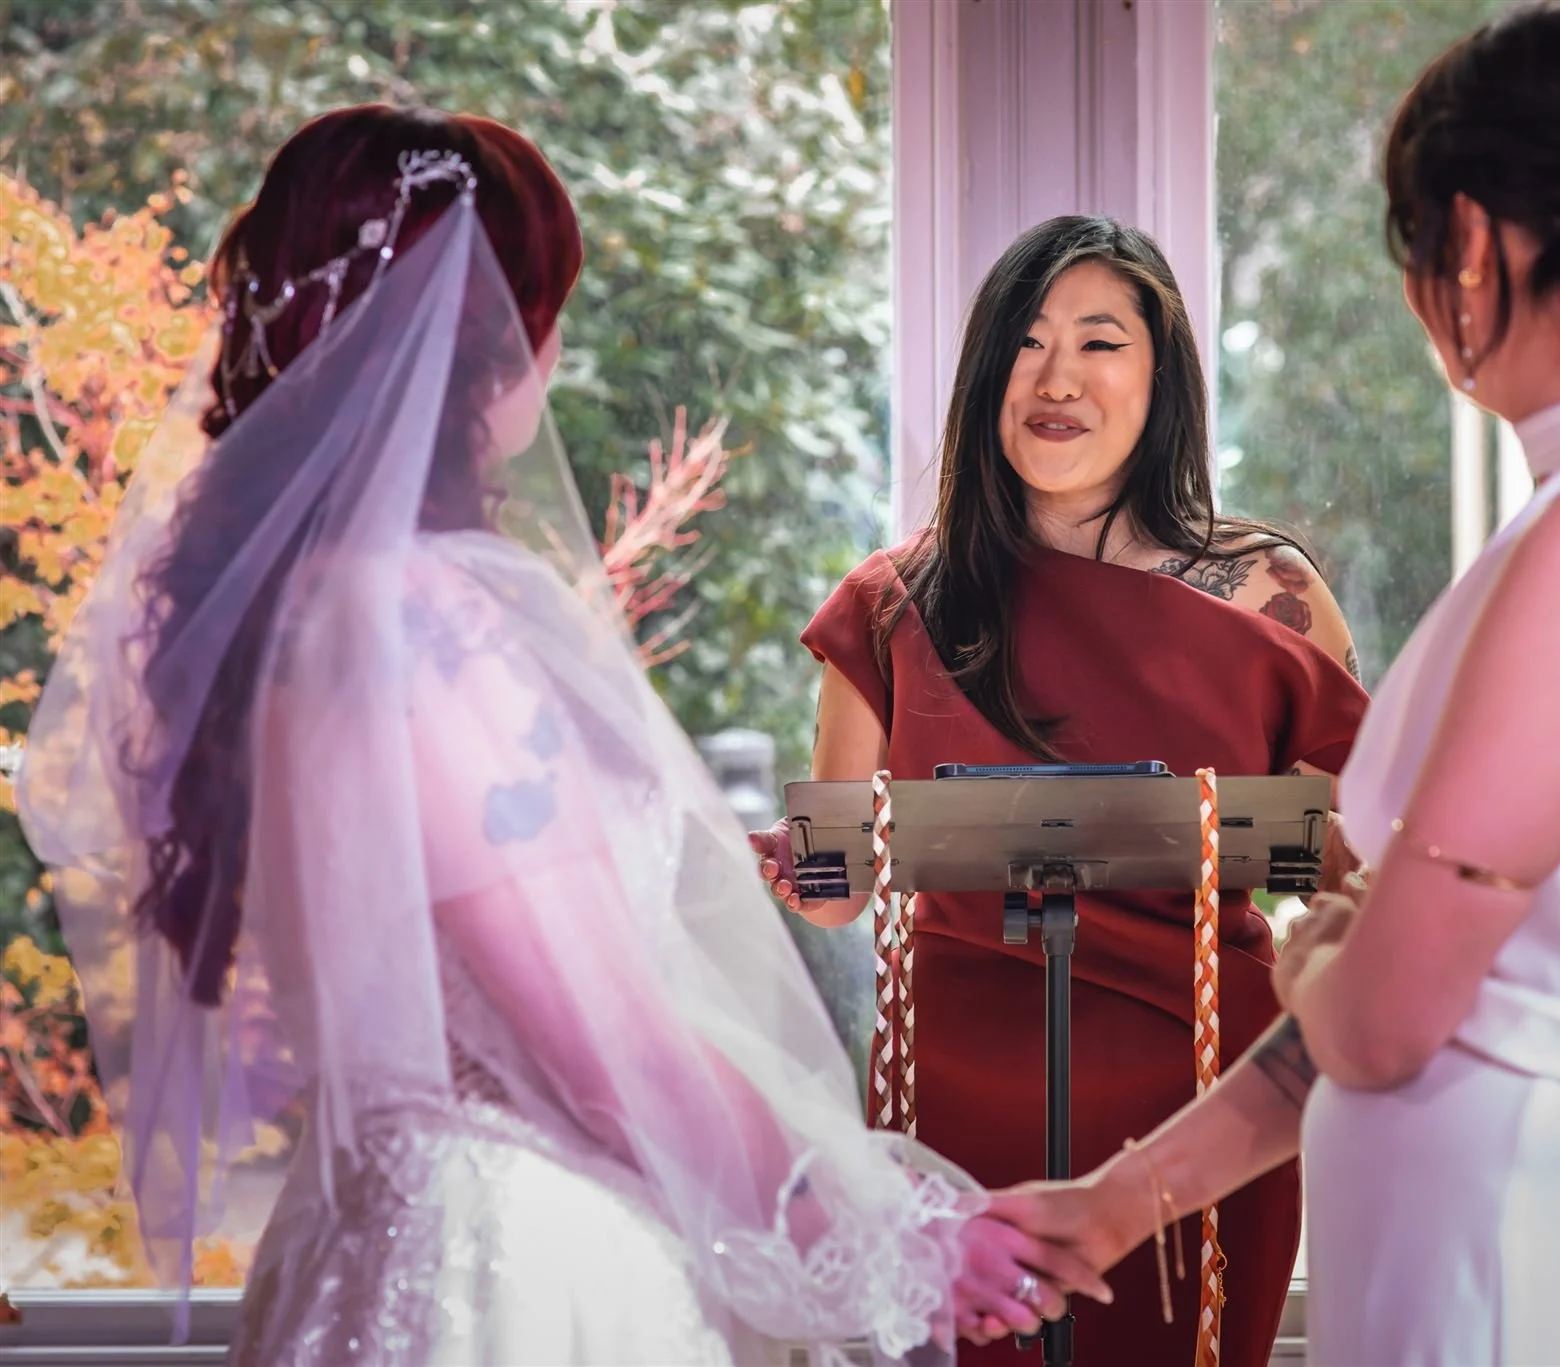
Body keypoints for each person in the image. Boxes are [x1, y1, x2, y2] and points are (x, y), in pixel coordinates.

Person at [14, 105, 1109, 1365]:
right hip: (513, 1266)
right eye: (538, 310)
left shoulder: (282, 620)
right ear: (476, 338)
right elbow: (605, 1050)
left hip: (365, 1240)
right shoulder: (413, 620)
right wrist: (882, 1234)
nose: (552, 352)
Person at [987, 6, 1560, 1364]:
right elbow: (1437, 1000)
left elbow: (1379, 1015)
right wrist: (1120, 1201)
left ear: (1473, 247)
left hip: (1520, 1256)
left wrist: (1313, 942)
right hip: (1535, 1228)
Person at [751, 216, 1369, 1363]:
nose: (1057, 379)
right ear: (987, 376)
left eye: (1098, 342)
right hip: (952, 1113)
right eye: (1027, 344)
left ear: (1161, 372)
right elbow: (837, 886)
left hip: (1202, 1113)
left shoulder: (1271, 592)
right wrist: (776, 862)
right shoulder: (893, 602)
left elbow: (1343, 865)